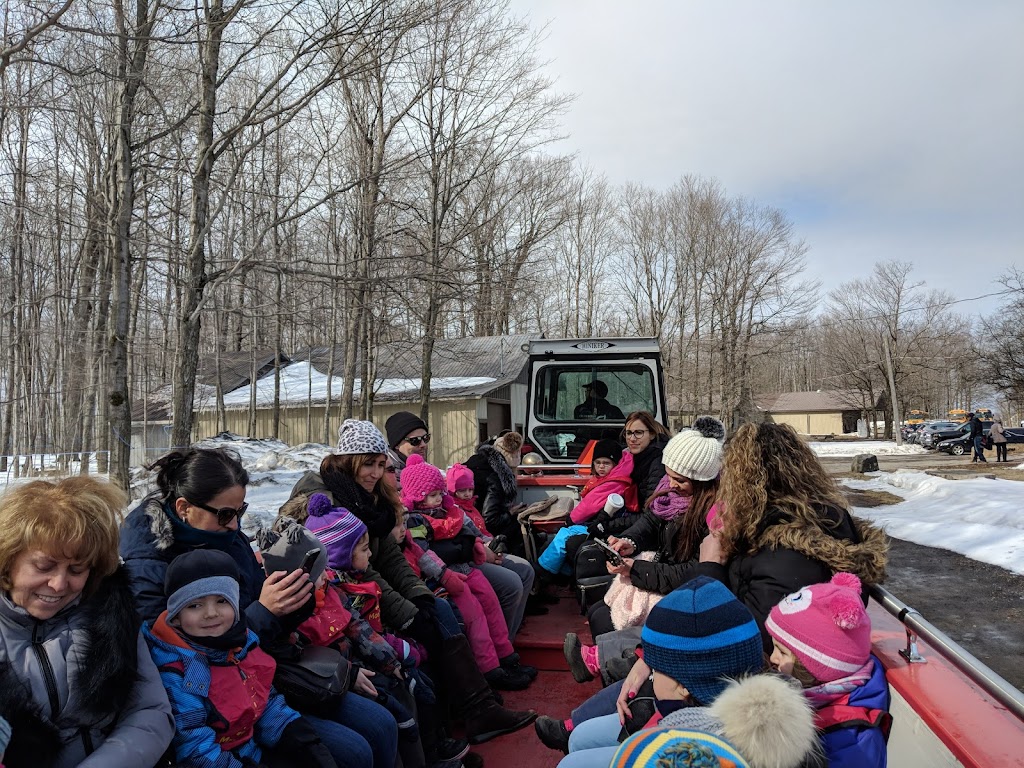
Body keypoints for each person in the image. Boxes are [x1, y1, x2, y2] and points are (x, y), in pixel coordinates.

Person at [121, 446, 398, 768]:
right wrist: (265, 612)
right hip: (214, 702)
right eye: (225, 514)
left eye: (241, 511)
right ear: (184, 507)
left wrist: (297, 596)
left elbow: (269, 622)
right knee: (354, 750)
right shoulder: (148, 567)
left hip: (266, 672)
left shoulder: (226, 536)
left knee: (382, 720)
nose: (236, 525)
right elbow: (181, 653)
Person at [292, 421, 537, 746]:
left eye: (381, 465)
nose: (376, 473)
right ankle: (456, 723)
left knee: (438, 608)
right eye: (368, 463)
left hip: (381, 588)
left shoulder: (371, 497)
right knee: (436, 617)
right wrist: (408, 609)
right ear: (348, 460)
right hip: (352, 601)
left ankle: (478, 707)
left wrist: (418, 596)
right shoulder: (332, 502)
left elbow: (391, 556)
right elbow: (364, 570)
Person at [552, 577, 817, 768]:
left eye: (655, 670)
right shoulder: (777, 698)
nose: (650, 675)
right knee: (579, 739)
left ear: (686, 686)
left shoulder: (681, 754)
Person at [0, 477, 173, 768]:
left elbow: (150, 712)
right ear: (9, 558)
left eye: (77, 569)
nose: (58, 584)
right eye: (44, 566)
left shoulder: (110, 614)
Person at [692, 422, 889, 651]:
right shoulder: (831, 519)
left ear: (740, 480)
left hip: (779, 671)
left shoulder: (776, 546)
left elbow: (751, 639)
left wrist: (709, 568)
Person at [142, 549, 337, 768]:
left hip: (251, 749)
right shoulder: (176, 672)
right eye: (194, 605)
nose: (211, 613)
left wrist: (302, 741)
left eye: (222, 601)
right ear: (176, 617)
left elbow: (265, 702)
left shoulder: (243, 642)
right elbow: (194, 748)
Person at [567, 417, 726, 679]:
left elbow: (695, 570)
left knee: (602, 617)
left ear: (703, 481)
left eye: (681, 481)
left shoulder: (711, 515)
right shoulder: (671, 493)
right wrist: (628, 542)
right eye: (669, 475)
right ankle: (612, 676)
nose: (671, 485)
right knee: (597, 609)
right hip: (663, 570)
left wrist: (637, 569)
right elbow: (651, 522)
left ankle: (617, 679)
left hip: (682, 588)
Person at [766, 573, 891, 768]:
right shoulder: (814, 694)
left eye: (781, 651)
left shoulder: (854, 741)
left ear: (819, 668)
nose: (773, 659)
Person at [446, 462, 536, 640]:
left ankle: (509, 635)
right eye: (461, 490)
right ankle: (499, 641)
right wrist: (484, 548)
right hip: (469, 559)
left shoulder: (472, 508)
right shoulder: (453, 511)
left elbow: (481, 532)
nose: (467, 494)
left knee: (526, 570)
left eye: (469, 489)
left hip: (484, 550)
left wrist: (494, 543)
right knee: (512, 583)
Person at [536, 440, 639, 580]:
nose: (601, 466)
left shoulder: (613, 483)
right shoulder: (613, 478)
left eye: (606, 463)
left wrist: (570, 520)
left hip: (604, 526)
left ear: (615, 465)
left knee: (564, 534)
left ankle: (543, 571)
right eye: (598, 463)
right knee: (564, 535)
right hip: (599, 522)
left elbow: (588, 507)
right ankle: (562, 572)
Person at [464, 431, 528, 558]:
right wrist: (510, 512)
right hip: (482, 530)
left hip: (467, 523)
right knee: (519, 524)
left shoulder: (477, 462)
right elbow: (490, 520)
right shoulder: (497, 479)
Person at [621, 411, 671, 507]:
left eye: (639, 433)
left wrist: (612, 522)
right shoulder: (628, 459)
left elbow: (651, 510)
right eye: (628, 433)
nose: (632, 438)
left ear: (652, 434)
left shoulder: (658, 462)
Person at [386, 411, 431, 484]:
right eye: (415, 440)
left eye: (426, 438)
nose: (423, 445)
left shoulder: (428, 470)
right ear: (397, 444)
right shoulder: (388, 476)